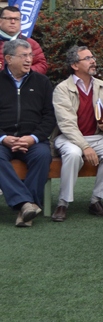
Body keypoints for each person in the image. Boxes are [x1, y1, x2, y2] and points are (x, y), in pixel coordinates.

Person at [51, 46, 103, 221]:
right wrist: (85, 147)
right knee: (74, 154)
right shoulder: (62, 89)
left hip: (96, 136)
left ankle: (96, 201)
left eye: (93, 57)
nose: (93, 61)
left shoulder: (102, 86)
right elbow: (66, 125)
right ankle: (63, 203)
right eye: (88, 58)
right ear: (75, 65)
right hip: (68, 137)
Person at [0, 39, 55, 227]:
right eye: (24, 55)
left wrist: (33, 138)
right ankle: (26, 204)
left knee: (42, 155)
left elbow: (49, 116)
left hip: (33, 140)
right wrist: (3, 138)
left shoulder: (42, 82)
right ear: (8, 58)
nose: (29, 60)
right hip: (3, 140)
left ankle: (25, 210)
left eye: (30, 55)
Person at [0, 5, 47, 74]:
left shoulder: (31, 43)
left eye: (16, 19)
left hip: (23, 84)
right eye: (9, 18)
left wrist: (22, 71)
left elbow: (42, 66)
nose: (13, 22)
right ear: (0, 20)